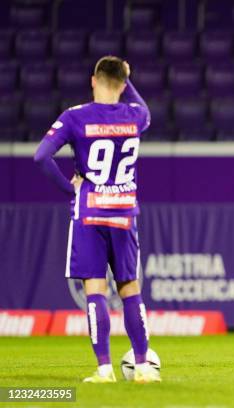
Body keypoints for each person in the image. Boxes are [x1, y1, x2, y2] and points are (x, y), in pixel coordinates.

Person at [34, 56, 160, 383]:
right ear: (123, 83)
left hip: (89, 212)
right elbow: (138, 101)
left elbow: (41, 156)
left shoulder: (75, 117)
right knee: (130, 288)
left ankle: (104, 369)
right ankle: (144, 366)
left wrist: (69, 190)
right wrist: (125, 77)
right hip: (123, 211)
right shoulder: (136, 116)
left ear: (93, 80)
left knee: (95, 289)